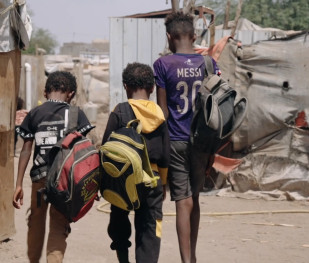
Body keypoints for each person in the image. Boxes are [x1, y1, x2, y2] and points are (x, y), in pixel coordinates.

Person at [153, 11, 220, 263]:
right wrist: (213, 148)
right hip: (203, 142)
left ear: (169, 37)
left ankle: (186, 260)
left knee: (183, 201)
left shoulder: (163, 65)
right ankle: (193, 256)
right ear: (193, 36)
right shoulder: (210, 64)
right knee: (195, 198)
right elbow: (216, 107)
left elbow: (162, 112)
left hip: (176, 140)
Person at [12, 71, 94, 263]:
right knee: (58, 225)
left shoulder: (34, 113)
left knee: (36, 222)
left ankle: (33, 260)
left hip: (39, 179)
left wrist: (18, 185)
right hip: (64, 181)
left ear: (45, 92)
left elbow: (25, 150)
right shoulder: (76, 114)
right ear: (71, 94)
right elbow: (85, 152)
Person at [102, 62, 170, 263]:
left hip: (122, 179)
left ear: (125, 86)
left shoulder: (120, 111)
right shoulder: (160, 115)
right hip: (153, 180)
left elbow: (106, 147)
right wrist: (163, 182)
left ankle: (123, 256)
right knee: (150, 228)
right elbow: (166, 154)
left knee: (119, 218)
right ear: (151, 88)